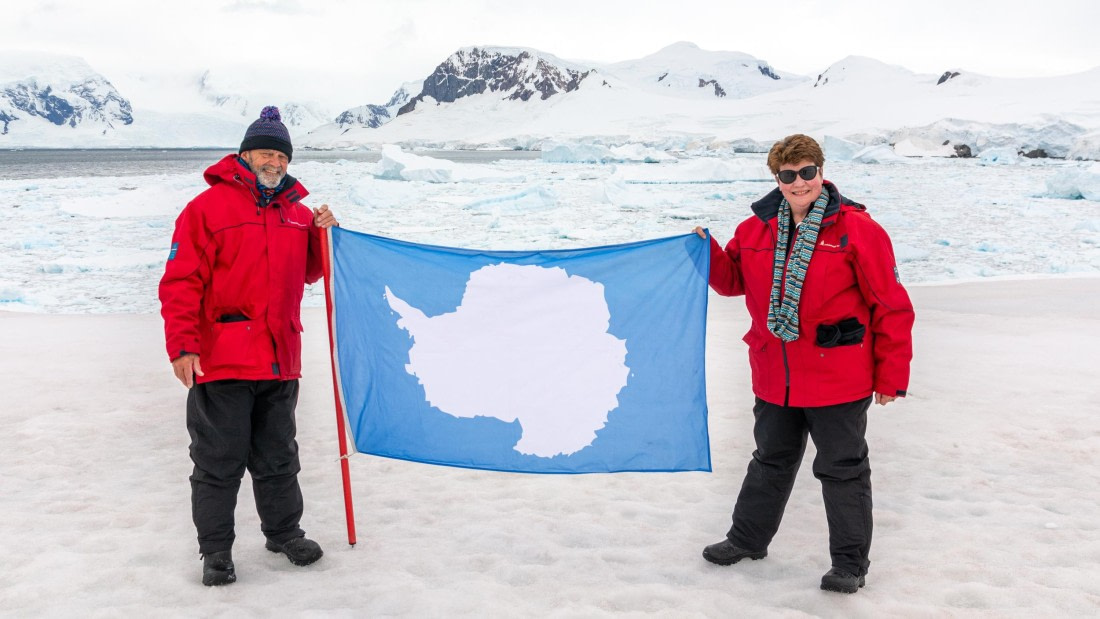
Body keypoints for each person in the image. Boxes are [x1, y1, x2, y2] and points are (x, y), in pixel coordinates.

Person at [694, 134, 914, 594]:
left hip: (838, 377)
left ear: (821, 171)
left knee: (842, 469)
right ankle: (747, 540)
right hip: (775, 375)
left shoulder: (858, 230)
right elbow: (732, 281)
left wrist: (891, 375)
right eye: (788, 175)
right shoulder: (755, 229)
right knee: (769, 461)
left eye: (807, 172)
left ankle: (849, 565)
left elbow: (891, 306)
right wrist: (705, 252)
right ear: (777, 178)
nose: (799, 183)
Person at [159, 106, 339, 586]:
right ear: (244, 155)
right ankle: (216, 551)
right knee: (218, 461)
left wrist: (324, 235)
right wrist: (182, 346)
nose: (274, 163)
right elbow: (180, 281)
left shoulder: (297, 214)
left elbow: (312, 271)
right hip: (222, 360)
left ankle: (284, 533)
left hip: (280, 360)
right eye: (266, 153)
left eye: (282, 156)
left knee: (279, 457)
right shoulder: (206, 209)